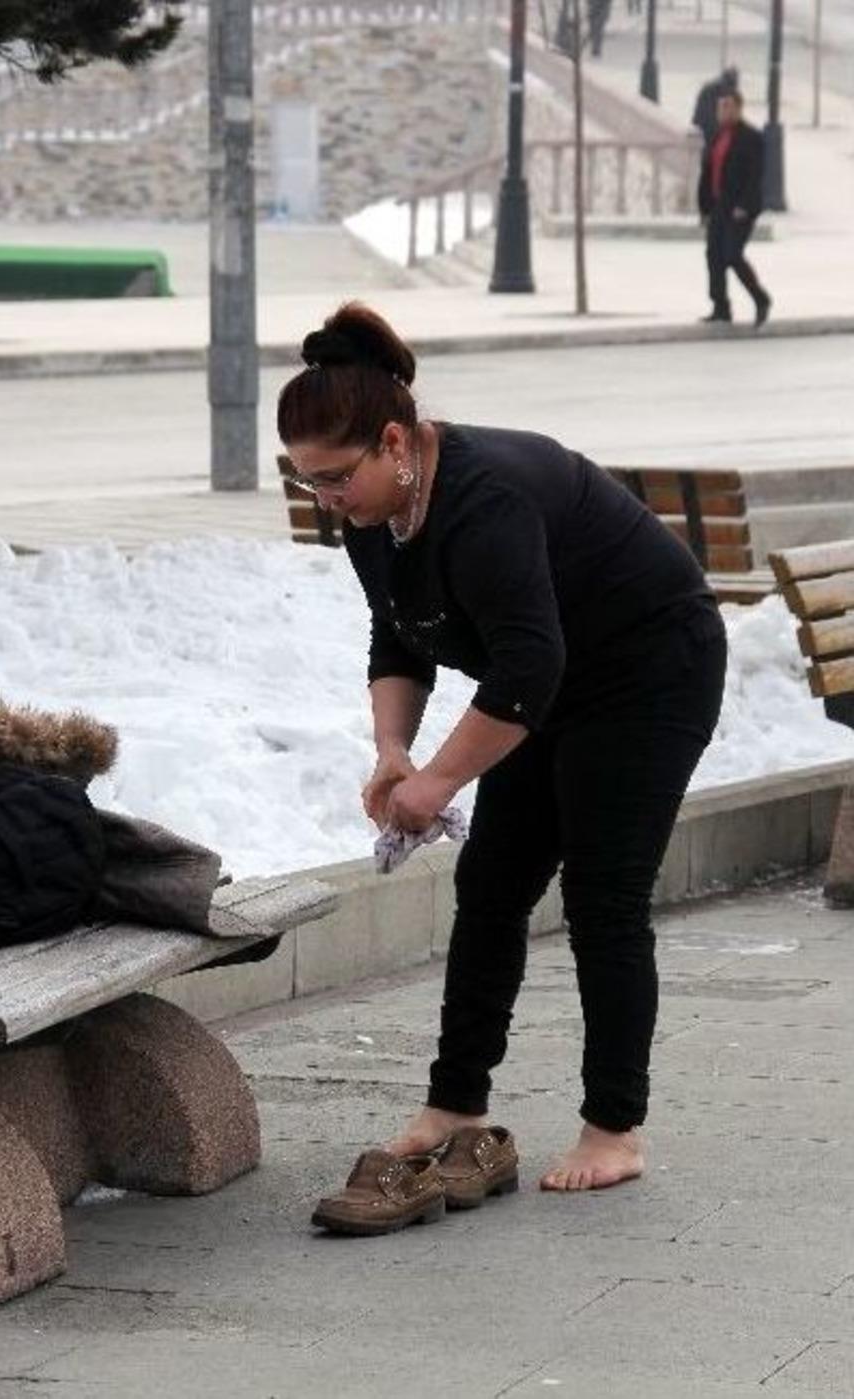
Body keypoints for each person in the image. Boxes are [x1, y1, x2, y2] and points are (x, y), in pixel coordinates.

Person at [278, 302, 727, 1208]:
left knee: (604, 895)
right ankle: (454, 1104)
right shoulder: (376, 513)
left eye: (334, 478)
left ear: (394, 441)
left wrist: (443, 778)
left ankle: (614, 1128)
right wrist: (395, 752)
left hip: (647, 669)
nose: (326, 502)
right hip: (547, 680)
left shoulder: (486, 501)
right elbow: (398, 637)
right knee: (490, 884)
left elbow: (529, 665)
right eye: (304, 482)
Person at [698, 90, 771, 326]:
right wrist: (705, 208)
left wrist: (745, 206)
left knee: (732, 255)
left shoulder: (751, 137)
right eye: (721, 107)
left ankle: (761, 298)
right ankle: (721, 306)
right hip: (719, 205)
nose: (723, 111)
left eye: (728, 107)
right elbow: (708, 174)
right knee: (713, 256)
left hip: (740, 207)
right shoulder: (717, 136)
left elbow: (755, 175)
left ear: (739, 109)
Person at [691, 65, 739, 146]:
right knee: (713, 141)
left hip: (706, 118)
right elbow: (711, 110)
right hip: (708, 119)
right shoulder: (721, 87)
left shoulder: (719, 84)